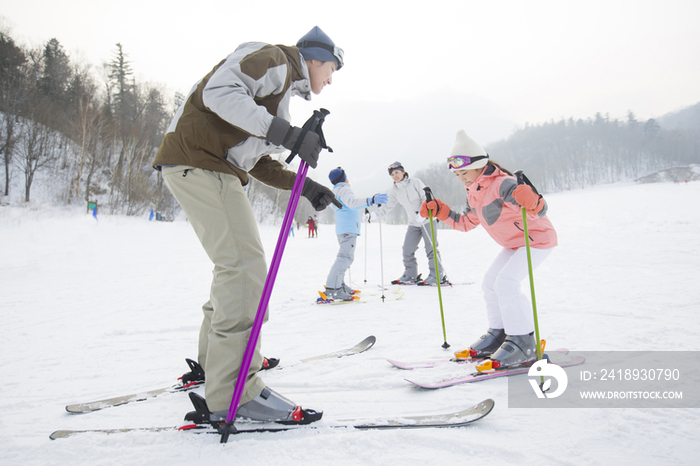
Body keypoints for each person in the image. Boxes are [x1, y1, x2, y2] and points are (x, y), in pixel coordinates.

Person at [152, 26, 344, 424]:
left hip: (205, 164)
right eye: (332, 68)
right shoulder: (276, 59)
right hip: (203, 163)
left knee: (234, 268)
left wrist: (305, 186)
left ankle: (216, 365)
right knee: (245, 269)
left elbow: (253, 158)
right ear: (315, 57)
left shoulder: (280, 94)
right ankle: (234, 392)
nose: (331, 78)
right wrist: (287, 134)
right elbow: (218, 93)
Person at [419, 130, 558, 369]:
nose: (461, 178)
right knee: (490, 283)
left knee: (506, 283)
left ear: (479, 165)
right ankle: (501, 334)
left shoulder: (504, 184)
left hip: (536, 239)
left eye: (464, 172)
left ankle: (524, 343)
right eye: (457, 174)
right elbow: (465, 223)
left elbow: (540, 210)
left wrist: (534, 200)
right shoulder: (473, 191)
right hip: (514, 244)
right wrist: (441, 212)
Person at [367, 162, 448, 285]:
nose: (395, 176)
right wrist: (374, 215)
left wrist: (422, 214)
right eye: (392, 174)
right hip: (413, 224)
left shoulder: (415, 182)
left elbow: (425, 198)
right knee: (407, 249)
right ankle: (411, 274)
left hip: (427, 220)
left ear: (403, 172)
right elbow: (387, 206)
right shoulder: (394, 190)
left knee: (431, 248)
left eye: (397, 172)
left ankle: (437, 275)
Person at [323, 167, 388, 301]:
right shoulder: (344, 189)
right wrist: (372, 200)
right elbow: (352, 203)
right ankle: (333, 288)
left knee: (345, 257)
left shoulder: (335, 191)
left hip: (343, 229)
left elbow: (343, 207)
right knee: (345, 257)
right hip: (348, 229)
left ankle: (339, 284)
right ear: (343, 177)